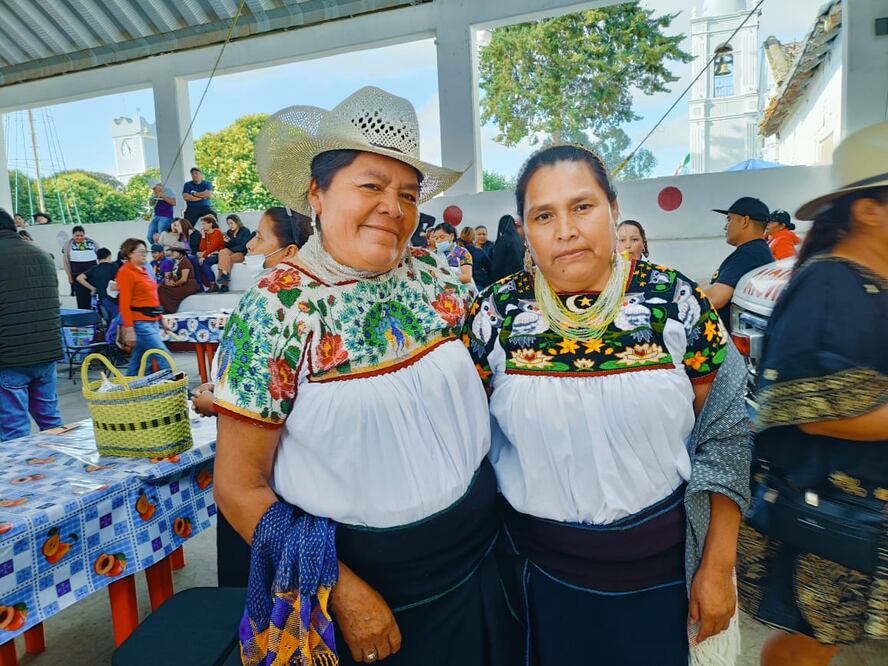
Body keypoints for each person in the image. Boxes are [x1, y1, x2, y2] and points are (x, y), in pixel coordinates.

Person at [213, 86, 519, 666]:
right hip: (365, 589)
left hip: (481, 558)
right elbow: (237, 487)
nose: (394, 208)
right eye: (371, 186)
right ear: (317, 194)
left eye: (407, 194)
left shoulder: (442, 280)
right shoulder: (277, 309)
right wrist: (344, 590)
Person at [463, 144, 751, 665]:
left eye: (582, 207)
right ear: (524, 229)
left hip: (662, 576)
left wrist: (716, 566)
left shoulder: (675, 301)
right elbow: (471, 441)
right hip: (538, 576)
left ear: (613, 209)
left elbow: (725, 435)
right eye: (543, 215)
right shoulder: (495, 314)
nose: (565, 230)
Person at [737, 122, 888, 666]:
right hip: (836, 504)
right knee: (813, 638)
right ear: (868, 210)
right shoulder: (832, 283)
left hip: (864, 500)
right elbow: (819, 410)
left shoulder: (867, 280)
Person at [191, 205, 312, 590]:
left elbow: (264, 398)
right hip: (284, 466)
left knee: (258, 575)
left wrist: (214, 402)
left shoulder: (273, 303)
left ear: (290, 252)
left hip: (268, 467)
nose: (252, 246)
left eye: (260, 239)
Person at [0, 209, 64, 441]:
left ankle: (20, 478)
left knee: (14, 432)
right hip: (47, 354)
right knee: (51, 422)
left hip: (10, 359)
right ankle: (65, 471)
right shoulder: (43, 255)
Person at [705, 197, 774, 332]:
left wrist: (700, 287)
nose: (726, 226)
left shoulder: (748, 255)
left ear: (744, 221)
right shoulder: (759, 251)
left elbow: (716, 298)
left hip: (730, 344)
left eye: (729, 219)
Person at [116, 238, 170, 376]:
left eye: (145, 251)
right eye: (140, 252)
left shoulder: (145, 269)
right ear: (129, 253)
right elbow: (124, 302)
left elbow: (152, 297)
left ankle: (128, 387)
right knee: (162, 354)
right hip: (140, 322)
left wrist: (161, 318)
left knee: (138, 359)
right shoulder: (125, 272)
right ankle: (176, 385)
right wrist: (128, 329)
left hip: (152, 319)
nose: (144, 254)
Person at [76, 248, 120, 321]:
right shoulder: (113, 266)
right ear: (109, 256)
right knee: (116, 321)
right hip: (113, 299)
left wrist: (92, 288)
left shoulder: (94, 268)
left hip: (101, 299)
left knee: (107, 320)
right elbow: (118, 280)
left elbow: (79, 278)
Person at [214, 214, 254, 293]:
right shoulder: (229, 232)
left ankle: (224, 284)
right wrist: (226, 242)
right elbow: (227, 246)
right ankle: (225, 276)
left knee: (226, 258)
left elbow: (243, 246)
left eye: (231, 223)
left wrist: (230, 244)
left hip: (241, 254)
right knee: (223, 252)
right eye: (228, 224)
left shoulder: (245, 231)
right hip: (230, 252)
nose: (230, 225)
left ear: (237, 222)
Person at [63, 225, 99, 309]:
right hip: (76, 275)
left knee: (94, 298)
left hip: (92, 275)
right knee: (81, 299)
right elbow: (65, 262)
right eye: (77, 235)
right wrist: (69, 276)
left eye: (81, 235)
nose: (79, 237)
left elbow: (99, 256)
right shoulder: (68, 245)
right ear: (73, 235)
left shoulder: (92, 243)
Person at [158, 244, 199, 314]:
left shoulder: (185, 262)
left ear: (180, 253)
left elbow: (183, 279)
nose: (172, 253)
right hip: (182, 284)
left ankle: (169, 309)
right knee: (162, 285)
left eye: (174, 251)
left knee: (163, 289)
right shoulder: (177, 262)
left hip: (188, 285)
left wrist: (174, 284)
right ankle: (163, 307)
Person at [489, 214, 525, 282]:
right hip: (519, 277)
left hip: (506, 279)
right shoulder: (519, 240)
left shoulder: (503, 239)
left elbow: (498, 262)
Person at [197, 215, 225, 290]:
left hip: (219, 254)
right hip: (209, 255)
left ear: (210, 224)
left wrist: (203, 257)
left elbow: (212, 247)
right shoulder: (206, 234)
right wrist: (203, 236)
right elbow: (202, 248)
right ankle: (201, 285)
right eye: (202, 224)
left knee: (205, 262)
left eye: (204, 223)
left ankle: (213, 284)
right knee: (197, 263)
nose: (202, 226)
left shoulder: (217, 232)